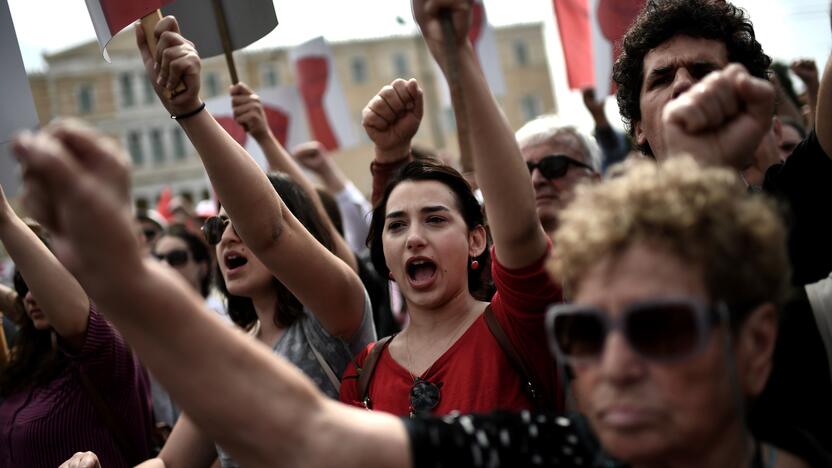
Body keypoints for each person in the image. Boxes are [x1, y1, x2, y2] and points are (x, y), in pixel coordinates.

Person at [47, 3, 830, 464]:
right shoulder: (547, 450)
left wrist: (455, 61)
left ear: (756, 345)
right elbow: (300, 430)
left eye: (659, 328)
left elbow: (516, 226)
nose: (616, 366)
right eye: (584, 334)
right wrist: (121, 281)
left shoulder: (517, 318)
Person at [613, 0, 832, 448]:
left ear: (746, 100)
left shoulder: (787, 213)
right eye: (661, 77)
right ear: (637, 127)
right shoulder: (606, 265)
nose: (684, 85)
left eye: (703, 71)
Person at [0, 183, 154, 467]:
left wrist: (5, 218)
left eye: (45, 283)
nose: (32, 295)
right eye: (25, 285)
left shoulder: (109, 354)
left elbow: (73, 320)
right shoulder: (31, 360)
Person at [515, 115, 602, 234]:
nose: (535, 180)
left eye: (554, 165)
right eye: (524, 172)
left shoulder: (628, 246)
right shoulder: (506, 251)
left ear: (594, 181)